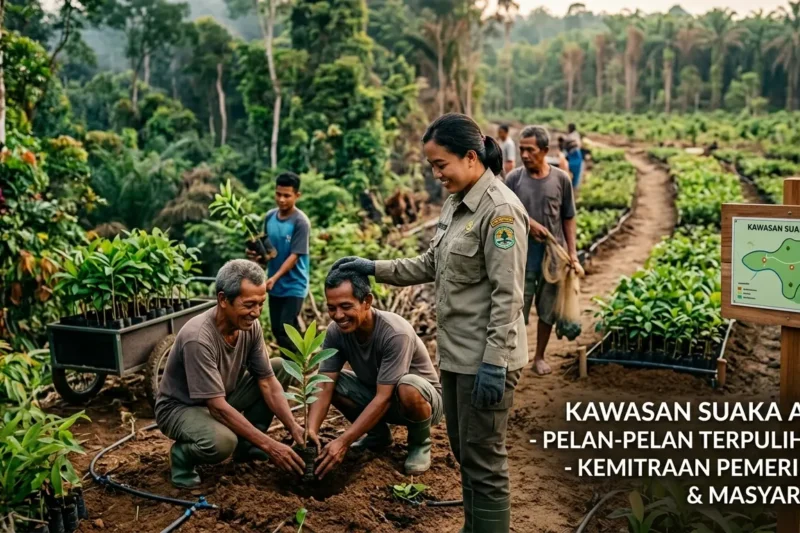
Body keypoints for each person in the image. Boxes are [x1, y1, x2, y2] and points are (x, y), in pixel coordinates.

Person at [332, 113, 528, 533]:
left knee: (485, 459)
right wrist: (373, 266)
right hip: (458, 356)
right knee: (464, 452)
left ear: (471, 158)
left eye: (441, 165)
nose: (436, 174)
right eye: (432, 166)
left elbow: (508, 295)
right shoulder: (457, 203)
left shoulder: (500, 212)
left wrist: (495, 361)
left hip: (488, 360)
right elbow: (429, 263)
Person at [155, 259, 306, 488]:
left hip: (222, 396)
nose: (256, 313)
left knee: (279, 367)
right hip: (181, 408)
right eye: (248, 305)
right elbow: (216, 407)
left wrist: (294, 428)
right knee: (223, 442)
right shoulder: (198, 338)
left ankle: (248, 446)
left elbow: (266, 381)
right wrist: (271, 446)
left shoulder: (249, 326)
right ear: (223, 299)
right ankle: (182, 458)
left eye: (261, 304)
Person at [306, 268, 443, 479]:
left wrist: (343, 442)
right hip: (379, 395)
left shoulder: (395, 333)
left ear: (367, 301)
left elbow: (385, 397)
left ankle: (419, 443)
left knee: (408, 385)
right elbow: (324, 386)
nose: (338, 315)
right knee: (327, 380)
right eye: (331, 308)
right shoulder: (336, 332)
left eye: (345, 306)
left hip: (421, 402)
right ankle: (378, 436)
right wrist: (311, 432)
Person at [505, 126, 577, 377]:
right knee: (516, 309)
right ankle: (515, 357)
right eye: (521, 149)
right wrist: (529, 223)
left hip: (552, 257)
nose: (524, 155)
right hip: (520, 256)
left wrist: (573, 254)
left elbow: (568, 217)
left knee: (547, 309)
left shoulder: (561, 179)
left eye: (530, 150)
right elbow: (504, 215)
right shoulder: (514, 179)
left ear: (545, 151)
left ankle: (539, 357)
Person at [247, 172, 311, 353]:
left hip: (294, 284)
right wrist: (255, 255)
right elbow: (268, 251)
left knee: (285, 327)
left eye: (287, 195)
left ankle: (299, 366)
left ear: (297, 195)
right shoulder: (269, 217)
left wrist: (274, 278)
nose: (281, 199)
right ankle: (302, 359)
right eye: (278, 194)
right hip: (273, 283)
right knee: (277, 329)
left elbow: (294, 256)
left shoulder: (300, 222)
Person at [564, 123, 583, 189]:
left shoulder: (573, 135)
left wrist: (569, 144)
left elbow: (576, 144)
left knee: (574, 171)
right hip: (573, 155)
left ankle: (573, 186)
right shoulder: (573, 135)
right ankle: (572, 185)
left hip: (575, 155)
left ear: (570, 128)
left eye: (568, 128)